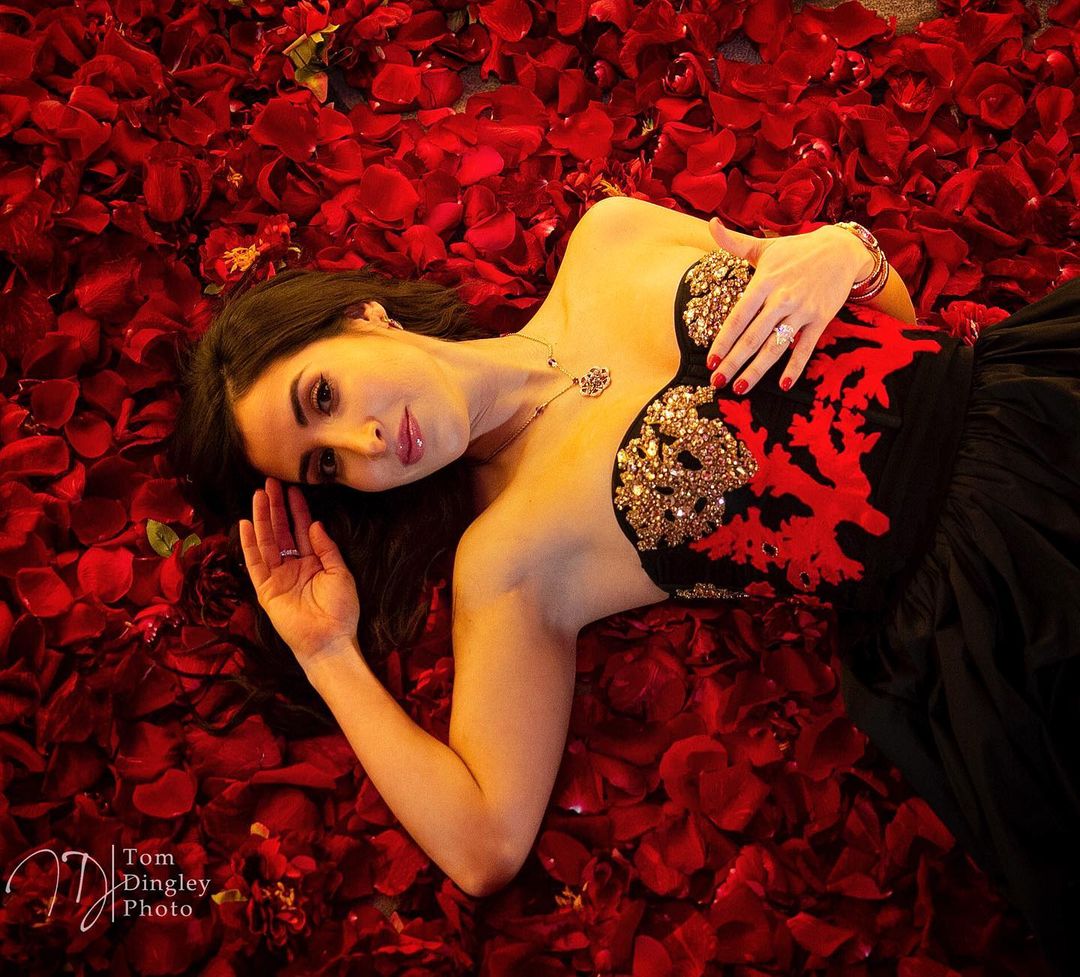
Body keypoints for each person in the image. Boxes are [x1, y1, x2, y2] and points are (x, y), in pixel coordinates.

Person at [169, 196, 1079, 973]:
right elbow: (486, 844)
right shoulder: (507, 557)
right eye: (326, 466)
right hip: (990, 591)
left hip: (1031, 389)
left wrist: (845, 252)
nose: (363, 444)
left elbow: (900, 322)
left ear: (363, 317)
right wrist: (326, 651)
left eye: (324, 398)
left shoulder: (609, 235)